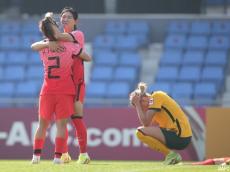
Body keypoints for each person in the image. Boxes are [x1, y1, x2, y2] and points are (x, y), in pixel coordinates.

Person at [31, 7, 91, 164]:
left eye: (68, 17)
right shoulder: (59, 42)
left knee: (75, 118)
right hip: (65, 83)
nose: (64, 19)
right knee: (61, 122)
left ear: (75, 21)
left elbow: (54, 37)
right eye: (62, 17)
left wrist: (48, 35)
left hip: (76, 83)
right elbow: (48, 40)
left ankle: (83, 154)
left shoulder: (77, 35)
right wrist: (48, 42)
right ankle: (62, 154)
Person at [129, 82, 192, 165]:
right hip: (180, 136)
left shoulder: (156, 97)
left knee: (140, 132)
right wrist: (138, 105)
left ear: (145, 98)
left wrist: (137, 104)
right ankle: (171, 155)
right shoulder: (153, 103)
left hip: (179, 136)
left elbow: (146, 123)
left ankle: (171, 155)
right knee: (143, 133)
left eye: (141, 105)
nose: (141, 109)